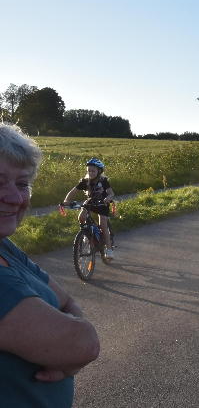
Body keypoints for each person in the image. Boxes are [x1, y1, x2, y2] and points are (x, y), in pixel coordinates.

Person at [0, 123, 100, 407]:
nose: (16, 197)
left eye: (22, 184)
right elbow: (85, 342)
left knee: (103, 224)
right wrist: (73, 354)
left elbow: (67, 300)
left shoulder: (5, 246)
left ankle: (107, 243)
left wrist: (71, 356)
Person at [63, 157, 115, 259]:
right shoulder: (85, 181)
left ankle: (109, 250)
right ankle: (86, 234)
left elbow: (111, 193)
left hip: (102, 204)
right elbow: (73, 191)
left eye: (93, 171)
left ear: (99, 171)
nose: (90, 173)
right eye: (89, 171)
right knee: (81, 217)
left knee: (103, 225)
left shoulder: (103, 181)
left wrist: (108, 198)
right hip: (91, 202)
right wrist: (66, 201)